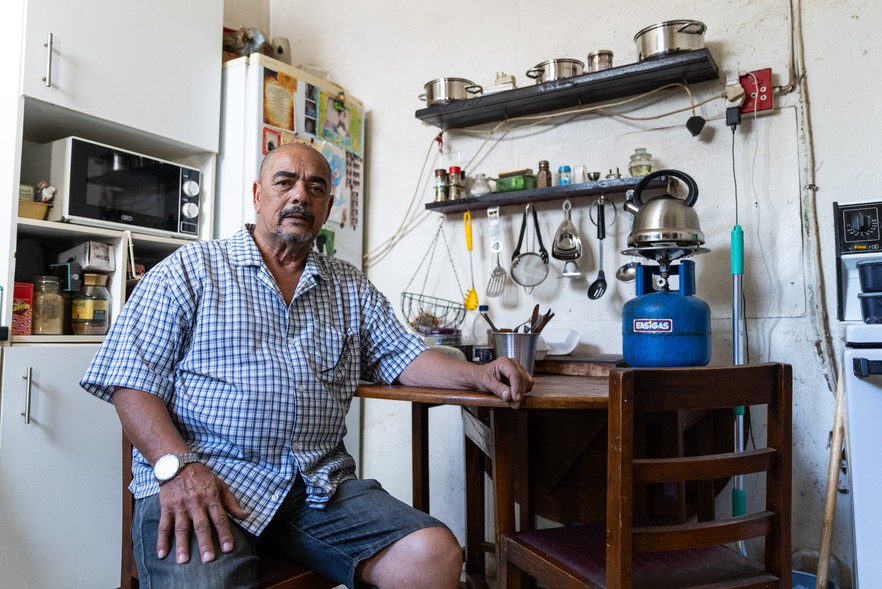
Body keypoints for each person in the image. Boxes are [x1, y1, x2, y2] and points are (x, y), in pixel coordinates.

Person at [81, 142, 533, 589]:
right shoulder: (191, 269)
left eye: (316, 188)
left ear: (327, 206)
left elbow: (404, 355)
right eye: (285, 183)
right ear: (258, 195)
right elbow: (129, 381)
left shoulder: (348, 286)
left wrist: (479, 374)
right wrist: (178, 469)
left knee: (432, 553)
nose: (300, 195)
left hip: (318, 486)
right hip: (207, 478)